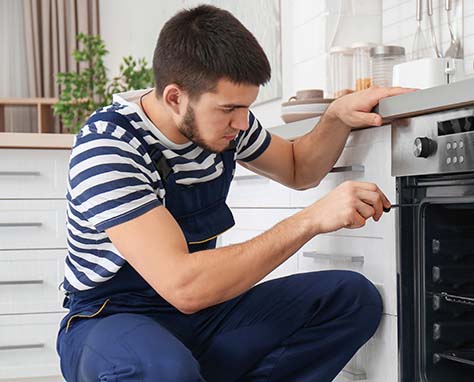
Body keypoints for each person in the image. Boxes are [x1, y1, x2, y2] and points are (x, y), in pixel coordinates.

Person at [56, 4, 411, 381]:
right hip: (111, 319)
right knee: (162, 370)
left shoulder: (227, 126)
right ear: (175, 97)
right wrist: (309, 220)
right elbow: (184, 285)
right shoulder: (110, 147)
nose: (242, 123)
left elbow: (297, 167)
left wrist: (336, 116)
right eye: (229, 109)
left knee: (350, 298)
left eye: (246, 108)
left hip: (200, 317)